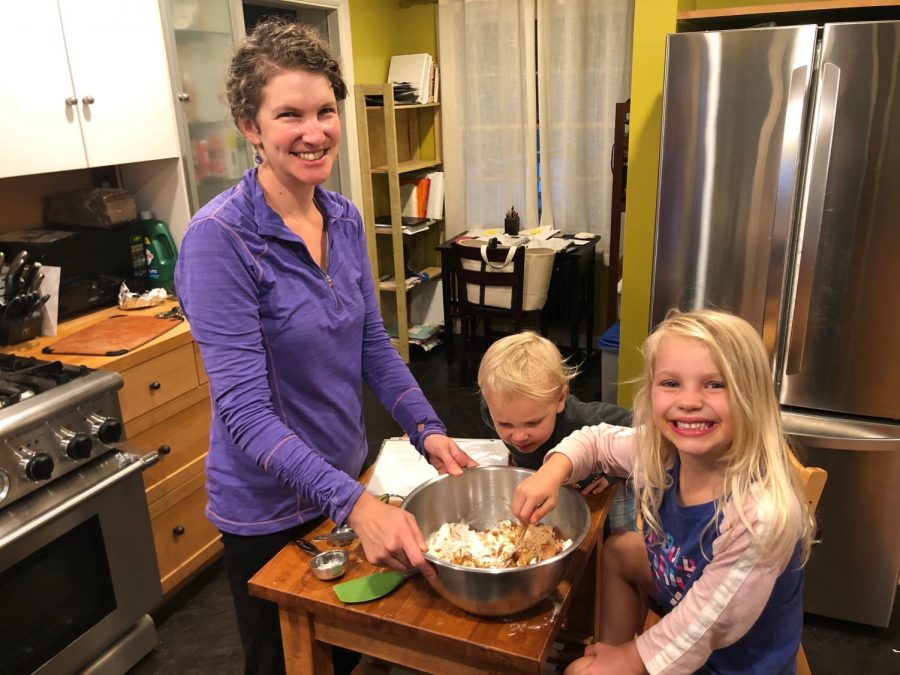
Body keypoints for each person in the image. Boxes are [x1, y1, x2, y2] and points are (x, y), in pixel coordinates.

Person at [174, 18, 476, 675]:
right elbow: (246, 416)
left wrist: (426, 428)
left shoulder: (341, 217)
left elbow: (370, 340)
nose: (313, 131)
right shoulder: (219, 241)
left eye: (324, 111)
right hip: (270, 507)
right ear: (251, 128)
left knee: (346, 655)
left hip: (345, 477)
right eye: (289, 114)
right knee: (287, 664)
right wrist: (356, 503)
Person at [512, 310, 816, 674]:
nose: (688, 401)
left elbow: (702, 628)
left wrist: (631, 660)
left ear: (751, 396)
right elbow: (595, 441)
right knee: (621, 551)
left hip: (729, 663)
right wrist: (552, 470)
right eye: (671, 383)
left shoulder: (757, 515)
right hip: (689, 598)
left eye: (715, 384)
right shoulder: (663, 453)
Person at [477, 331, 636, 531]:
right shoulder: (490, 410)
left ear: (560, 399)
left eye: (532, 423)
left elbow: (635, 430)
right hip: (554, 485)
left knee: (618, 531)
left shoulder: (583, 418)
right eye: (505, 425)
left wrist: (612, 476)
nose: (518, 437)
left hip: (603, 485)